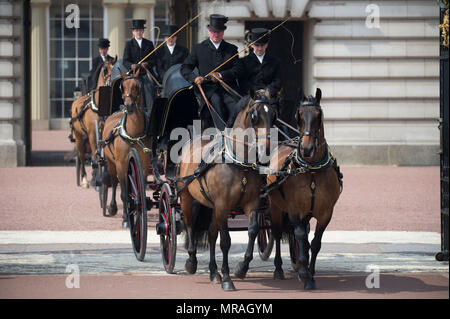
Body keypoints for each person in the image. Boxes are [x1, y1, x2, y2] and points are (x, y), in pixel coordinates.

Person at [181, 14, 243, 130]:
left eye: (219, 32)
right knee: (217, 102)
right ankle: (222, 133)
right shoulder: (198, 48)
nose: (216, 34)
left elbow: (238, 70)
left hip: (228, 89)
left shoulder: (231, 49)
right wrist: (194, 78)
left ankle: (234, 132)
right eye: (213, 32)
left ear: (223, 32)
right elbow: (185, 68)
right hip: (208, 89)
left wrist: (221, 75)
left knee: (238, 106)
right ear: (209, 31)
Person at [238, 28, 281, 115]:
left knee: (276, 116)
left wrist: (267, 91)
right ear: (252, 45)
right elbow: (242, 82)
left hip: (269, 97)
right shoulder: (244, 61)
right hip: (250, 96)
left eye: (262, 45)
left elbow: (277, 81)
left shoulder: (274, 61)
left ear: (267, 45)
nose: (260, 48)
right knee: (236, 110)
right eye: (257, 45)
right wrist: (255, 92)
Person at [122, 19, 157, 111]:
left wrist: (147, 64)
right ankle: (128, 109)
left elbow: (154, 60)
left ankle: (150, 111)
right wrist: (131, 65)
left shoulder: (149, 44)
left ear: (143, 31)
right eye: (137, 30)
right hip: (133, 75)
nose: (139, 32)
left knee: (149, 87)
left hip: (146, 73)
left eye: (140, 30)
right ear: (133, 32)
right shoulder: (129, 44)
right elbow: (125, 61)